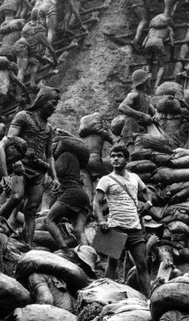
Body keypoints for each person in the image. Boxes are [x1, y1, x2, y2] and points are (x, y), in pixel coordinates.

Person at [0, 86, 60, 248]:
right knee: (16, 196)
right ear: (43, 100)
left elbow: (50, 155)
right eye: (53, 103)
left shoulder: (49, 127)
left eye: (56, 104)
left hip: (38, 171)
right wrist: (13, 162)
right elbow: (10, 140)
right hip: (21, 167)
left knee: (31, 209)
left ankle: (28, 245)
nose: (54, 107)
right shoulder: (23, 116)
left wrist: (55, 177)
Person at [94, 145, 153, 298]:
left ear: (127, 159)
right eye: (112, 156)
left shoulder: (135, 178)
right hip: (115, 227)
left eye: (119, 156)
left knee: (142, 264)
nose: (115, 159)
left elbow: (146, 192)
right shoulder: (106, 180)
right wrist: (101, 221)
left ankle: (149, 299)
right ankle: (105, 297)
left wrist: (148, 203)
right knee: (112, 264)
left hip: (134, 227)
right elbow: (96, 203)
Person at [44, 139, 91, 250]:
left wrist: (47, 165)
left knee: (48, 220)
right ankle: (87, 254)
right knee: (79, 231)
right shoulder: (76, 161)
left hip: (72, 193)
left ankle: (64, 249)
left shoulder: (65, 155)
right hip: (82, 196)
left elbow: (57, 170)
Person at [117, 69, 160, 152]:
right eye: (148, 80)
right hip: (132, 128)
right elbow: (122, 107)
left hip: (143, 129)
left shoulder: (146, 97)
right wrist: (142, 115)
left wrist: (156, 115)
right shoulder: (134, 94)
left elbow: (154, 110)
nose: (150, 81)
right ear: (144, 81)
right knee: (131, 150)